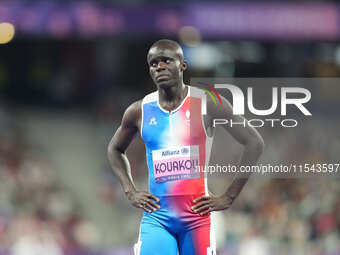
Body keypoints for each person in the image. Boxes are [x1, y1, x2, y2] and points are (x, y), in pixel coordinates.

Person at [107, 39, 264, 255]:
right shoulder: (139, 110)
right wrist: (130, 191)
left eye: (166, 60)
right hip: (157, 218)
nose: (159, 66)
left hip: (196, 219)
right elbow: (115, 149)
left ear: (182, 65)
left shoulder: (208, 102)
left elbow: (254, 142)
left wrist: (229, 197)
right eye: (153, 63)